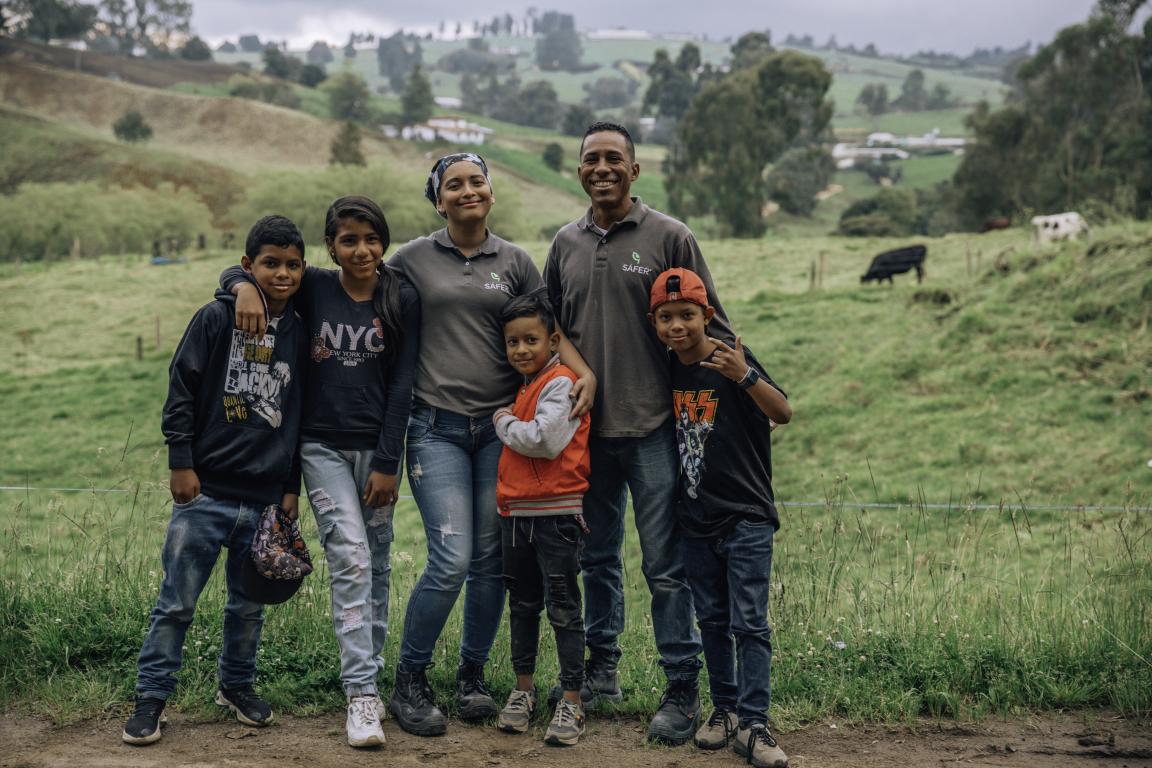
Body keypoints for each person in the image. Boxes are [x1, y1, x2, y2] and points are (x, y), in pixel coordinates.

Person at [387, 152, 594, 737]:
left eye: (477, 181)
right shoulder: (411, 260)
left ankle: (473, 677)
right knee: (450, 558)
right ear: (438, 200)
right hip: (436, 428)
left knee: (488, 563)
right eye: (454, 185)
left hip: (500, 432)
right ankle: (410, 679)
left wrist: (587, 376)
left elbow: (549, 329)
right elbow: (352, 285)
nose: (468, 191)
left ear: (491, 192)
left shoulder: (517, 261)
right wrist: (237, 281)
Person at [543, 121, 736, 745]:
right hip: (584, 435)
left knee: (664, 566)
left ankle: (682, 685)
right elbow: (550, 330)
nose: (602, 169)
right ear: (579, 170)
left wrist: (739, 397)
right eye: (591, 159)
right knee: (594, 558)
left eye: (614, 159)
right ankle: (602, 673)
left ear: (635, 169)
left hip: (655, 428)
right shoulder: (565, 243)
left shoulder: (670, 236)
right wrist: (583, 374)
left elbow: (714, 326)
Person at [224, 197, 420, 747]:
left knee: (376, 566)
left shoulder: (400, 294)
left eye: (371, 238)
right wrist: (239, 288)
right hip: (321, 448)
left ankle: (373, 685)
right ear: (329, 247)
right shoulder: (314, 285)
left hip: (378, 454)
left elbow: (403, 383)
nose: (361, 249)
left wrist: (388, 461)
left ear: (384, 242)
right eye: (348, 240)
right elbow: (250, 273)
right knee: (351, 558)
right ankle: (359, 696)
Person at [122, 215, 308, 746]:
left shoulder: (300, 327)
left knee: (247, 606)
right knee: (176, 602)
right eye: (269, 264)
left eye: (293, 265)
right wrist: (180, 462)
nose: (283, 274)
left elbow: (298, 415)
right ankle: (152, 698)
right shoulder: (215, 319)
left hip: (266, 498)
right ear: (249, 266)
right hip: (206, 492)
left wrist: (289, 485)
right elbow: (182, 386)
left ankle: (236, 686)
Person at [648, 267, 792, 768]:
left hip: (746, 515)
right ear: (656, 322)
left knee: (749, 622)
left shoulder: (731, 358)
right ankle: (725, 710)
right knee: (711, 619)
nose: (677, 326)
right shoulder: (666, 368)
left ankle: (756, 724)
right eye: (666, 317)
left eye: (687, 314)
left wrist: (743, 375)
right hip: (695, 518)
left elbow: (784, 411)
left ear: (706, 315)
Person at [491, 294, 591, 747]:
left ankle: (571, 698)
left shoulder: (561, 382)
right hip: (517, 515)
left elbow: (545, 441)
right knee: (524, 605)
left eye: (531, 340)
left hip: (555, 516)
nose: (521, 350)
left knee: (564, 609)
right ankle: (523, 690)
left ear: (553, 340)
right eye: (512, 342)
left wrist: (502, 422)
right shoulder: (529, 383)